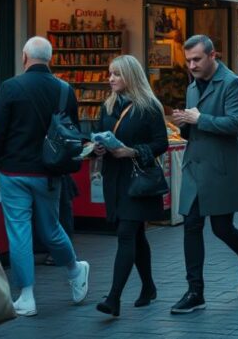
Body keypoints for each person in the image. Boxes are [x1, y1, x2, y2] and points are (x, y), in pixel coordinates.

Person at [0, 36, 89, 317]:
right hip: (49, 172)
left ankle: (27, 296)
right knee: (52, 229)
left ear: (24, 57)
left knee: (19, 232)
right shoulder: (65, 90)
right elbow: (73, 134)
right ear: (50, 58)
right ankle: (75, 269)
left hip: (13, 171)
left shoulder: (10, 87)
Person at [171, 35, 238, 314]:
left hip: (221, 168)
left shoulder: (233, 83)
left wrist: (199, 119)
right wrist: (184, 125)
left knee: (221, 228)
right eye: (188, 60)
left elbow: (236, 124)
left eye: (197, 59)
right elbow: (194, 126)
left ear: (213, 55)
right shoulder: (191, 87)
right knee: (191, 225)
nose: (192, 65)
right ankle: (195, 291)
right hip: (195, 168)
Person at [93, 55, 168, 317]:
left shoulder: (148, 106)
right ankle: (148, 287)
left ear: (130, 76)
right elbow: (98, 134)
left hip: (138, 180)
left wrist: (133, 151)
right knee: (135, 235)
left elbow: (162, 143)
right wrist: (97, 148)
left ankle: (114, 298)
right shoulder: (108, 105)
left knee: (126, 234)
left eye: (116, 74)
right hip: (114, 179)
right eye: (110, 73)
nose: (110, 78)